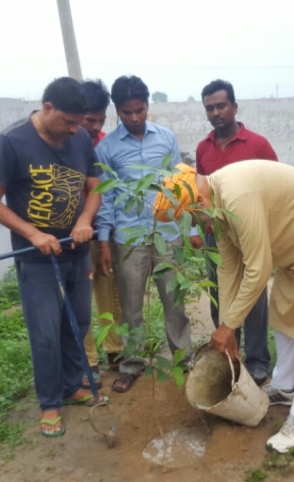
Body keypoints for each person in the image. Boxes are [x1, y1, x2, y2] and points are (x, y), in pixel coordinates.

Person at [154, 160, 294, 452]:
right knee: (285, 314)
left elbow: (258, 270)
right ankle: (286, 387)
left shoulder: (236, 195)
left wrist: (229, 326)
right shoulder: (217, 205)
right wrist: (227, 325)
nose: (198, 225)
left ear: (199, 201)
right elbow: (228, 268)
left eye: (192, 217)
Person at [0, 77, 104, 437]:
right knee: (46, 332)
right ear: (47, 108)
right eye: (68, 121)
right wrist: (34, 234)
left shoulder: (79, 136)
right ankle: (50, 402)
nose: (74, 130)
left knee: (78, 322)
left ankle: (71, 386)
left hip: (76, 252)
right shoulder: (11, 141)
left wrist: (84, 219)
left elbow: (96, 187)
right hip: (37, 258)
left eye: (78, 123)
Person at [95, 75, 191, 393]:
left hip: (166, 235)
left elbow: (179, 186)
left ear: (148, 105)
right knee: (131, 305)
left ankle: (182, 359)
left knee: (174, 302)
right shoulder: (107, 148)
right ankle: (132, 363)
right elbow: (106, 198)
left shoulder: (165, 138)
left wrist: (185, 228)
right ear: (117, 111)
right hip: (128, 238)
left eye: (140, 110)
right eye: (127, 112)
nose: (135, 118)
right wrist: (104, 241)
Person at [192, 79, 278, 385]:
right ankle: (229, 351)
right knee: (220, 290)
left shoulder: (257, 145)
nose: (215, 112)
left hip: (252, 231)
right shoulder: (204, 148)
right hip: (217, 233)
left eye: (221, 105)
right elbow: (200, 190)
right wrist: (196, 227)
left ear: (234, 107)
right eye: (209, 108)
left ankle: (257, 359)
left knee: (253, 294)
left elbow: (275, 186)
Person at [80, 79, 123, 389]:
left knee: (110, 294)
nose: (95, 126)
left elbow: (109, 193)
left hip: (102, 232)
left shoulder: (104, 145)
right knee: (81, 297)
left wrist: (105, 235)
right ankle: (88, 361)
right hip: (72, 238)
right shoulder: (63, 144)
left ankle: (115, 352)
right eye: (89, 119)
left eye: (100, 120)